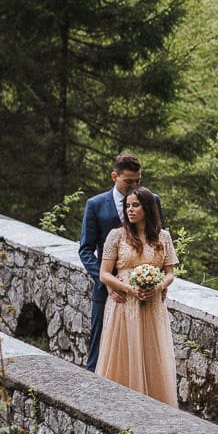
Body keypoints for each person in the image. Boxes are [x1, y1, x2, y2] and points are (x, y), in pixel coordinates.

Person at [94, 187, 179, 405]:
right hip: (123, 302)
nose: (130, 210)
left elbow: (170, 273)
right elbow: (104, 274)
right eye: (128, 206)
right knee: (122, 351)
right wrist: (129, 289)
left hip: (151, 304)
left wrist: (158, 286)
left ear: (147, 207)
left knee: (151, 352)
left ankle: (153, 401)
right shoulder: (117, 235)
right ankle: (117, 402)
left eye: (136, 205)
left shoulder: (163, 237)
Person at [78, 153, 160, 371]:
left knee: (144, 351)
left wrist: (156, 281)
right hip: (106, 288)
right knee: (99, 349)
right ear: (114, 176)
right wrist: (109, 281)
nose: (134, 186)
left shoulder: (152, 201)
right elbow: (85, 249)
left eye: (138, 181)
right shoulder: (95, 205)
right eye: (129, 181)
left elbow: (158, 242)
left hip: (144, 292)